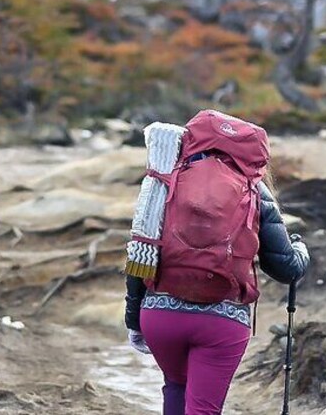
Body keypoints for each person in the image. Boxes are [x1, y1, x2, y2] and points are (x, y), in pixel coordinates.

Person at [124, 166, 310, 415]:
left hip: (161, 315)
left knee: (176, 385)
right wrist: (300, 250)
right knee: (203, 409)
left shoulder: (169, 180)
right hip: (223, 322)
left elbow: (142, 254)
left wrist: (134, 320)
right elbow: (287, 269)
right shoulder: (254, 187)